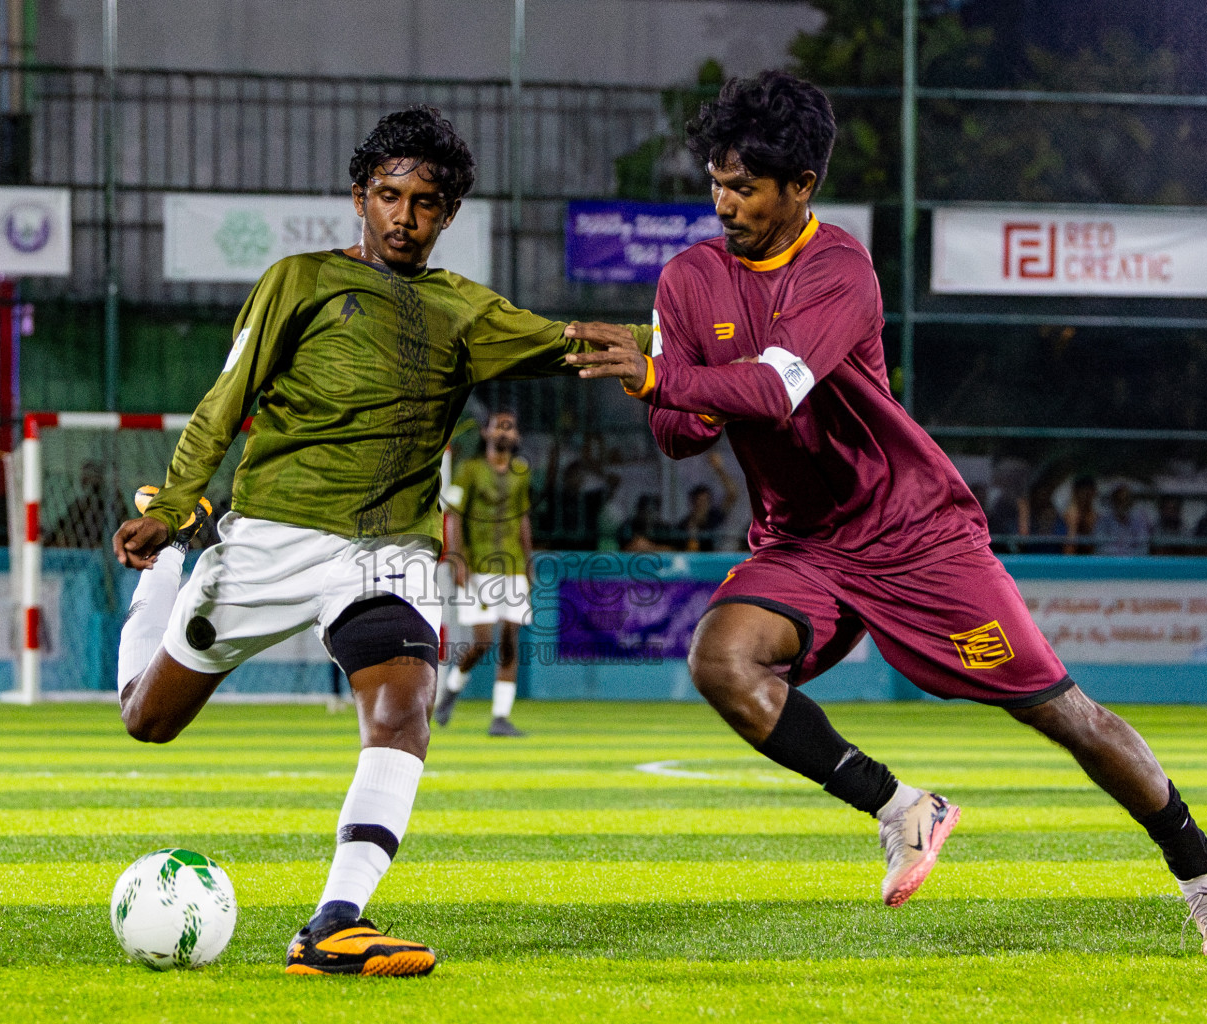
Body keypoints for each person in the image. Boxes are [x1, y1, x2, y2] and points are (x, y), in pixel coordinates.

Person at [567, 70, 1207, 955]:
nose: (724, 202)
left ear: (801, 187)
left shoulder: (839, 267)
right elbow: (674, 433)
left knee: (1064, 714)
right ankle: (901, 807)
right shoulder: (688, 279)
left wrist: (669, 378)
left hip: (911, 529)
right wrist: (677, 397)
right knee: (723, 662)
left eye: (744, 186)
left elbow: (777, 389)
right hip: (804, 541)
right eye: (716, 181)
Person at [109, 107, 646, 977]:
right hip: (271, 537)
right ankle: (175, 568)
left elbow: (575, 343)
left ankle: (334, 924)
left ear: (448, 214)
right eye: (389, 196)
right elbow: (226, 395)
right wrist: (173, 510)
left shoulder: (466, 311)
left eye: (425, 202)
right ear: (359, 197)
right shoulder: (301, 280)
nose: (405, 216)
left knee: (405, 709)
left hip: (387, 549)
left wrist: (688, 354)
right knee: (149, 720)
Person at [435, 407, 535, 736]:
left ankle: (500, 718)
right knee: (481, 643)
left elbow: (522, 518)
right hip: (478, 565)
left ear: (516, 436)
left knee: (509, 640)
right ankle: (451, 689)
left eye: (510, 427)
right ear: (487, 433)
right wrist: (456, 558)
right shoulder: (469, 470)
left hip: (514, 567)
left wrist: (529, 560)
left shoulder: (521, 472)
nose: (505, 433)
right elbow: (455, 516)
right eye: (499, 427)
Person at [676, 450, 740, 551]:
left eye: (706, 501)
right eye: (699, 501)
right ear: (693, 503)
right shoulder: (684, 524)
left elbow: (732, 493)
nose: (702, 505)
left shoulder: (714, 518)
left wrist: (719, 469)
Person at [1096, 483, 1152, 556]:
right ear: (1113, 502)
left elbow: (1143, 546)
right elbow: (1099, 546)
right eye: (1119, 500)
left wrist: (1128, 557)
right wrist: (1118, 556)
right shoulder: (1103, 521)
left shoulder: (1139, 521)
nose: (1122, 504)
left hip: (1133, 562)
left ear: (1130, 502)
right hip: (1110, 562)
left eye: (1125, 500)